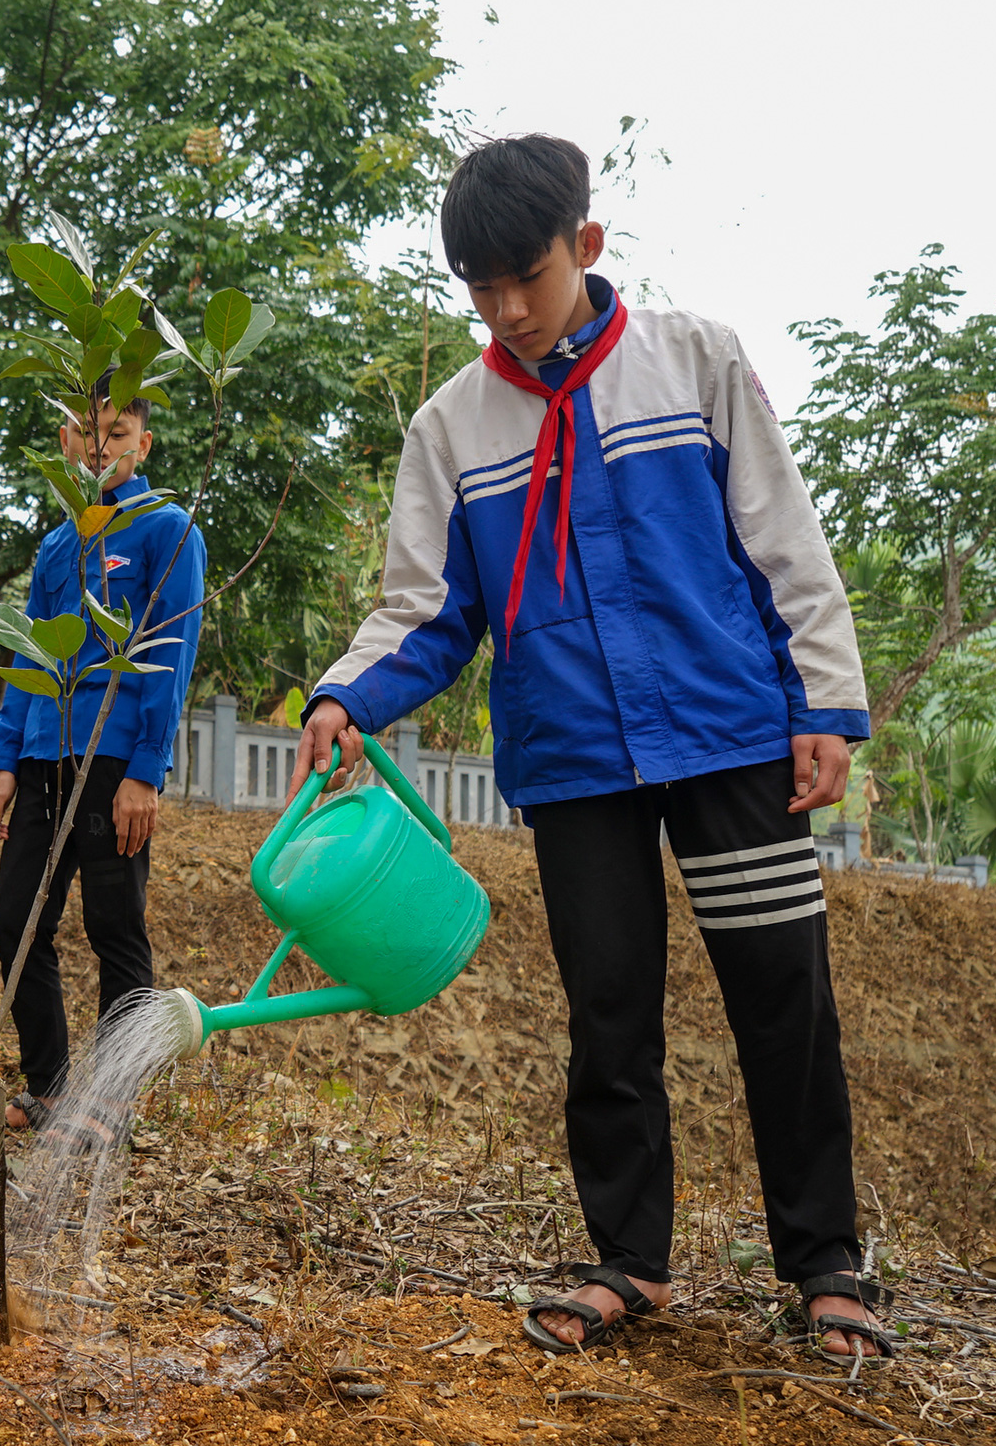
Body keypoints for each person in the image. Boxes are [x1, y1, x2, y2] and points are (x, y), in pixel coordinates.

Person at [289, 135, 888, 1366]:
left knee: (782, 1000)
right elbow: (423, 607)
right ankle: (629, 1259)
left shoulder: (695, 363)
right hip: (572, 760)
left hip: (727, 736)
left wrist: (821, 703)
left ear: (587, 247)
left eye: (526, 277)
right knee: (605, 1014)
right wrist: (346, 693)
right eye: (478, 287)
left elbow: (782, 539)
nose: (505, 312)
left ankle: (824, 1262)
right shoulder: (450, 428)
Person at [0, 373, 206, 1146]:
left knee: (115, 925)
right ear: (66, 442)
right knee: (17, 920)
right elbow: (31, 653)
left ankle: (109, 1097)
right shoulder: (55, 545)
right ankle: (49, 1083)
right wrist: (7, 758)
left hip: (113, 761)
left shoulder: (166, 529)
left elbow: (171, 656)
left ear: (142, 443)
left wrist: (146, 769)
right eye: (85, 430)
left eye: (116, 432)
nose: (98, 445)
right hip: (43, 755)